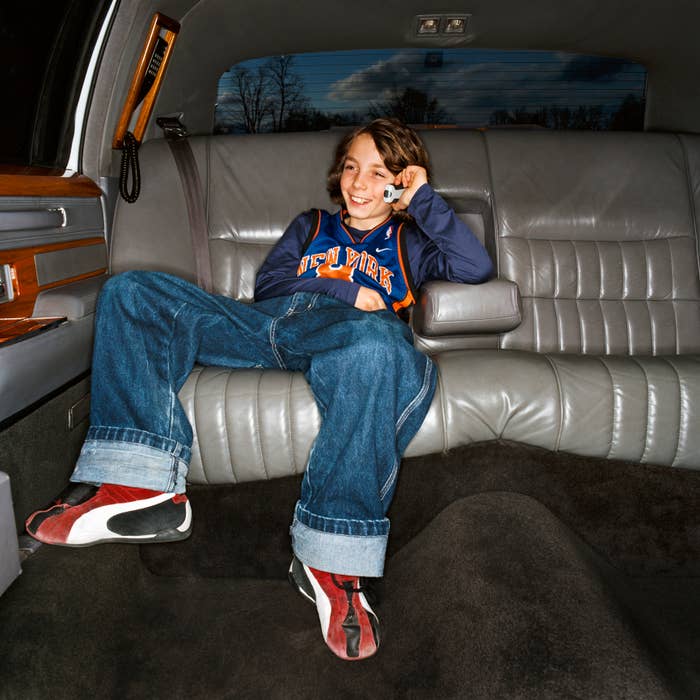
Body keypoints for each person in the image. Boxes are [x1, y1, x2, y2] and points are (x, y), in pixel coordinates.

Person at [25, 118, 493, 661]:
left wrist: (424, 202)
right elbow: (270, 285)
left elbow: (474, 267)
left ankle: (331, 555)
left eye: (378, 175)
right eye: (350, 169)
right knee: (132, 291)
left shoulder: (411, 241)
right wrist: (340, 287)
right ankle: (141, 488)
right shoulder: (312, 224)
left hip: (353, 342)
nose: (359, 185)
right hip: (267, 325)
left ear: (401, 184)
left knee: (380, 349)